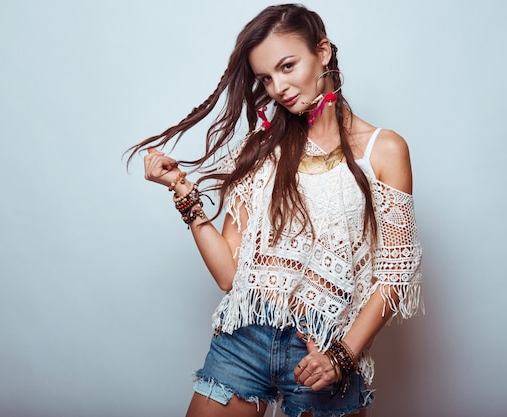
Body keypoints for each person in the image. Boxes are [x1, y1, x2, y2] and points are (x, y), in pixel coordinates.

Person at [127, 4, 423, 417]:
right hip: (245, 340)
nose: (278, 87)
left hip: (323, 349)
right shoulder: (262, 149)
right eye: (266, 78)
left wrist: (341, 357)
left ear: (322, 51)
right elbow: (229, 275)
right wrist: (182, 190)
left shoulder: (384, 149)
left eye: (287, 66)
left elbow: (396, 273)